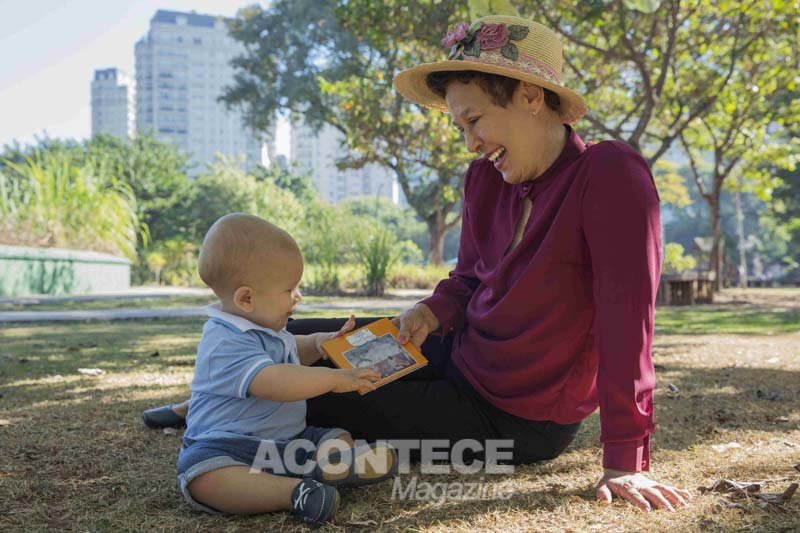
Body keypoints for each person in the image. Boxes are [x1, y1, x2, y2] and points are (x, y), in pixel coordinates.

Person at [146, 13, 691, 513]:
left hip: (515, 418)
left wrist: (626, 458)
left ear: (529, 95)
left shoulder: (609, 175)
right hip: (452, 353)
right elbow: (467, 281)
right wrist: (432, 312)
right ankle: (215, 397)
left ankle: (218, 417)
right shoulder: (484, 180)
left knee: (328, 395)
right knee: (289, 333)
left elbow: (628, 322)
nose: (471, 142)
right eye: (460, 127)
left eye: (475, 120)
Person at [174, 213, 397, 528]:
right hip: (227, 445)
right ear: (247, 298)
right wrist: (335, 378)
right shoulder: (224, 341)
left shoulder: (266, 327)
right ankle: (294, 492)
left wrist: (321, 343)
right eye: (289, 289)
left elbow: (293, 348)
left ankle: (329, 464)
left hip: (287, 442)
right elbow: (274, 381)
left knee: (335, 437)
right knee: (202, 475)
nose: (298, 296)